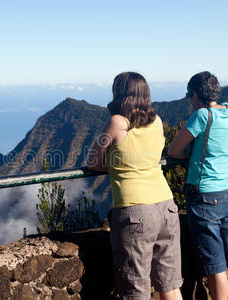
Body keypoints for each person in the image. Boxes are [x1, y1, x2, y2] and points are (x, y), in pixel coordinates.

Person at [87, 72, 183, 300]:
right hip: (167, 206)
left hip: (134, 212)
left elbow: (92, 161)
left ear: (118, 93)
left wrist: (112, 165)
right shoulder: (157, 121)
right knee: (169, 285)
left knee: (135, 291)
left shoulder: (116, 123)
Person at [168, 71, 228, 300]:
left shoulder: (202, 116)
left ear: (195, 95)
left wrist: (192, 155)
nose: (188, 100)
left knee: (215, 266)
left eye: (188, 95)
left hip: (206, 197)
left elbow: (174, 151)